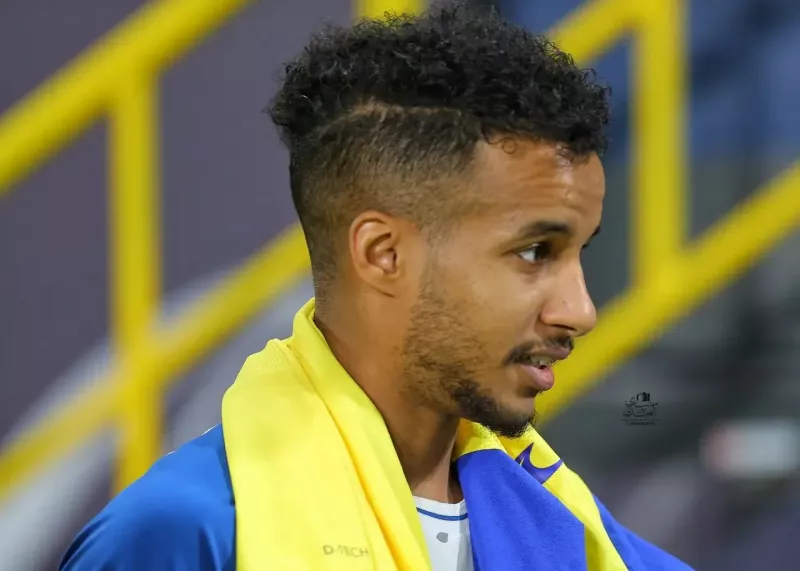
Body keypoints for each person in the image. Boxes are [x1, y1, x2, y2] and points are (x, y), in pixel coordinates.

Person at [60, 3, 693, 570]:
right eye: (534, 252)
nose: (580, 311)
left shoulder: (584, 537)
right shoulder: (187, 534)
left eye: (581, 253)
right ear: (383, 254)